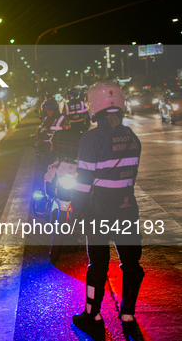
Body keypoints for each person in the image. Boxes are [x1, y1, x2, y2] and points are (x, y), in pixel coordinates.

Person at [70, 81, 144, 335]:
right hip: (127, 211)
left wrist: (76, 210)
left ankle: (92, 314)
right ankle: (128, 314)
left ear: (94, 108)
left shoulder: (91, 139)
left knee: (98, 266)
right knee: (131, 264)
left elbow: (83, 182)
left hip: (99, 213)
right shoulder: (132, 137)